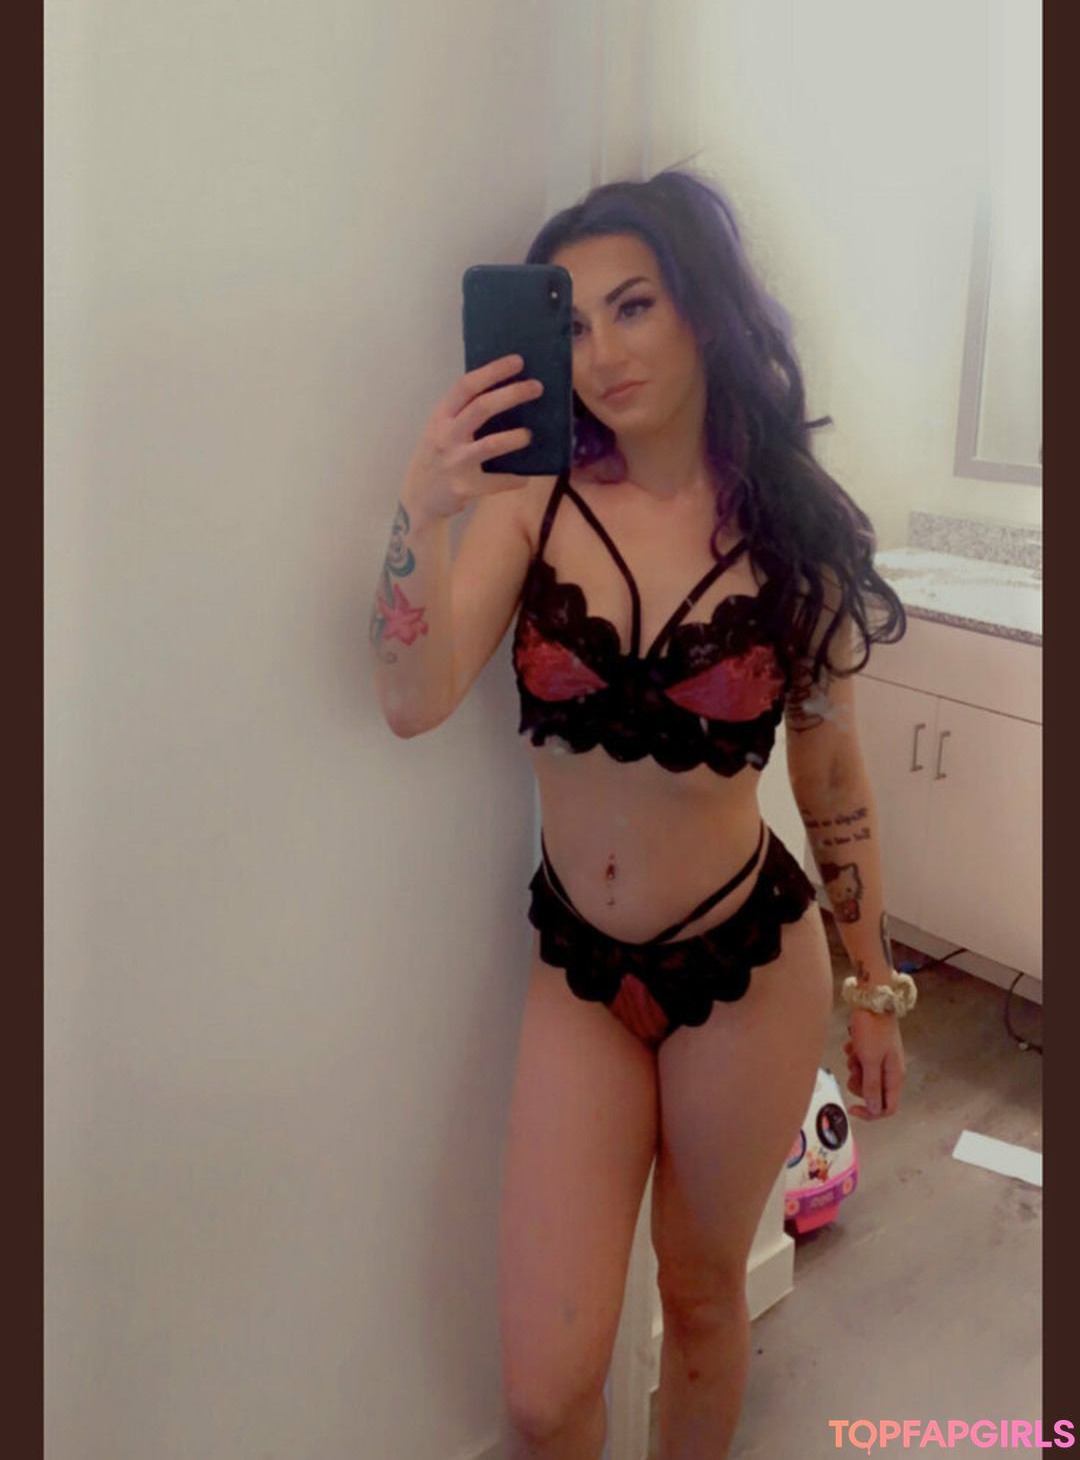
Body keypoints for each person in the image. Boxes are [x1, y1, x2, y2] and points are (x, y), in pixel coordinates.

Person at [370, 170, 915, 1460]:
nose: (600, 353)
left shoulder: (795, 538)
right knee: (545, 1391)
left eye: (634, 307)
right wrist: (421, 507)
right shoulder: (535, 499)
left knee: (703, 1297)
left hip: (747, 964)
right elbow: (411, 697)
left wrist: (875, 987)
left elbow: (833, 784)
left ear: (704, 314)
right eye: (571, 323)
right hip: (580, 967)